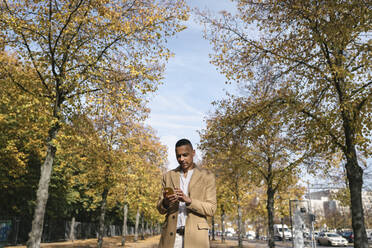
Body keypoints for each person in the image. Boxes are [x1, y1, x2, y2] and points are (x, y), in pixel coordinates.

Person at [157, 138, 217, 248]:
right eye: (178, 156)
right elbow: (160, 208)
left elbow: (212, 208)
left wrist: (189, 201)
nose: (182, 159)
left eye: (185, 155)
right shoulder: (168, 176)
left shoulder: (207, 176)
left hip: (197, 239)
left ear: (193, 153)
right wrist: (165, 202)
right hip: (171, 238)